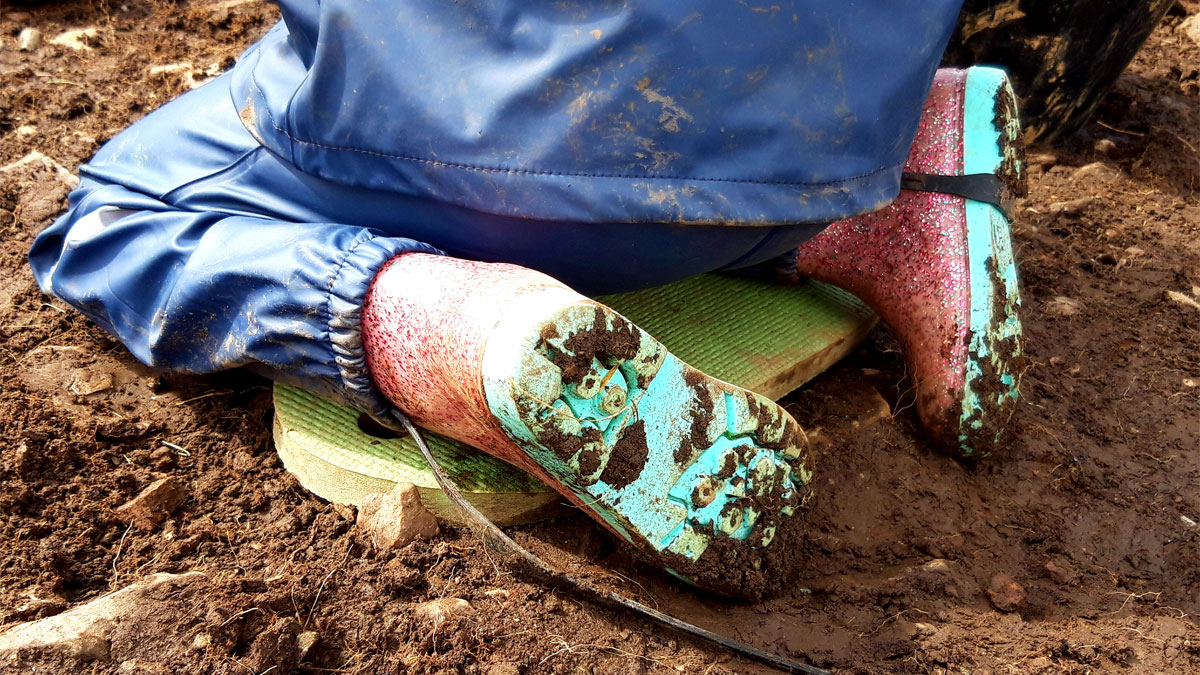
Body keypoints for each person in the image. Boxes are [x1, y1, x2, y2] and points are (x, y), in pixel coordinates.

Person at [28, 0, 1022, 591]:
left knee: (119, 214)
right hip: (849, 121)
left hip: (522, 165)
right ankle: (907, 185)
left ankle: (451, 328)